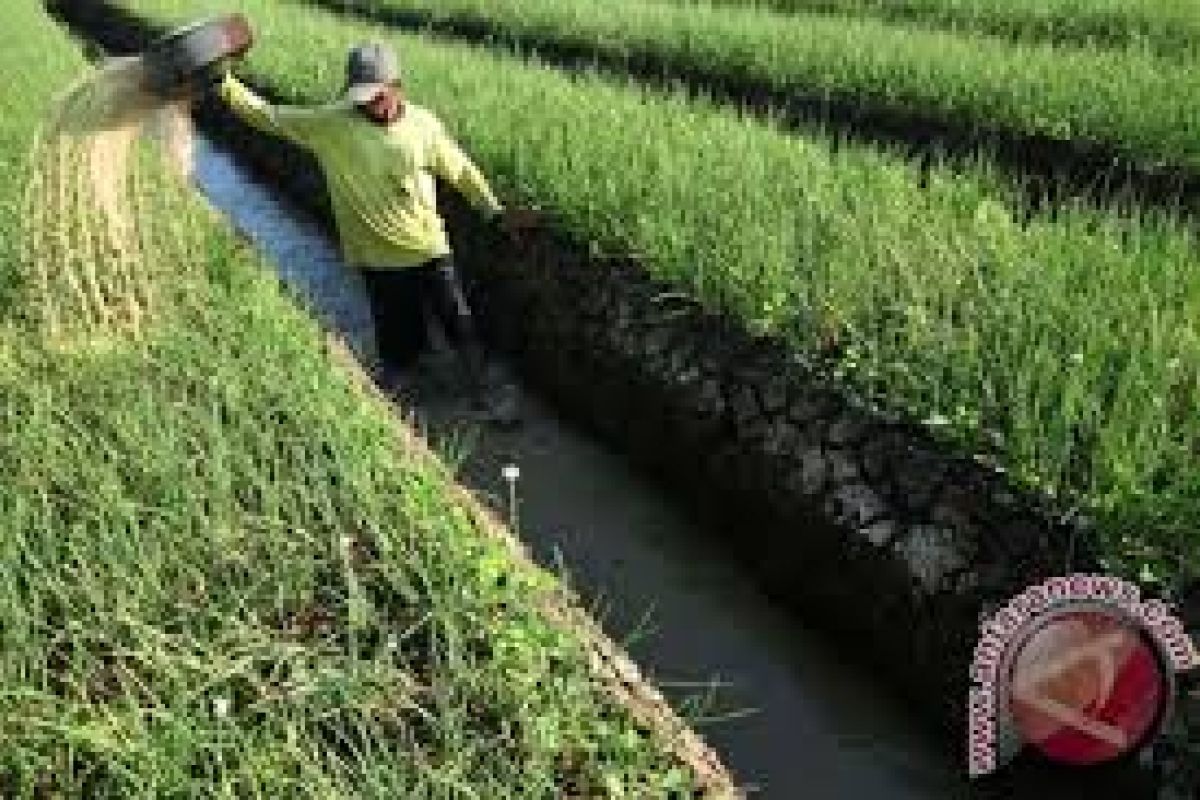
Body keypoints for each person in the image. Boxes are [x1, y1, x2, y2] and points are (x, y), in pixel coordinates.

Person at [208, 41, 538, 422]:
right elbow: (268, 115)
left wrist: (494, 213)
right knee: (397, 339)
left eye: (376, 96)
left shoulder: (423, 127)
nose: (368, 105)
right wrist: (225, 85)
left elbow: (461, 171)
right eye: (360, 97)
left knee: (460, 325)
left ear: (397, 86)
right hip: (374, 258)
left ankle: (483, 395)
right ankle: (405, 411)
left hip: (428, 249)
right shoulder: (331, 124)